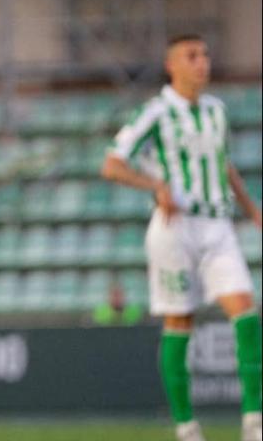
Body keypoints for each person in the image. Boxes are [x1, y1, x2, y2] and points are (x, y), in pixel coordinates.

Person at [101, 33, 262, 441]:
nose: (202, 62)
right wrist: (155, 185)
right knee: (180, 321)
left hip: (218, 224)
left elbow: (223, 166)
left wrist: (253, 209)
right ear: (172, 65)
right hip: (176, 228)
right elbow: (113, 165)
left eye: (206, 55)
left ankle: (254, 422)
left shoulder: (216, 111)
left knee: (246, 313)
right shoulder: (155, 112)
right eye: (192, 56)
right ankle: (186, 426)